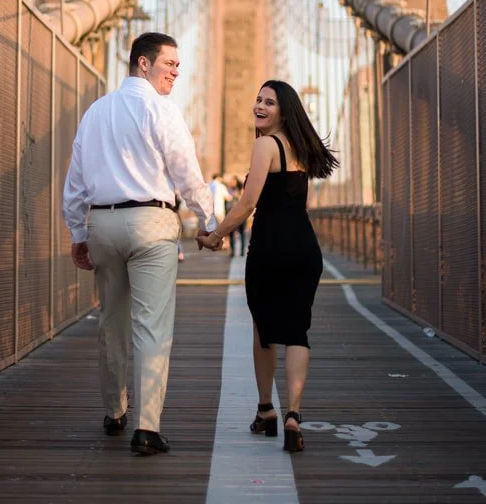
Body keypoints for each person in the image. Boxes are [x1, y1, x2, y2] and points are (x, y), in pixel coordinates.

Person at [63, 32, 221, 457]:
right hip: (151, 223)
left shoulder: (95, 113)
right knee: (151, 326)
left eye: (178, 65)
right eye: (168, 63)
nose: (176, 71)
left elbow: (75, 181)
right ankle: (147, 429)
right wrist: (210, 223)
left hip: (103, 224)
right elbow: (187, 172)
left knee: (111, 320)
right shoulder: (162, 110)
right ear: (142, 64)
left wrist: (79, 234)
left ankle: (115, 412)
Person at [198, 80, 338, 452]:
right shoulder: (303, 148)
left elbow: (246, 204)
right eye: (257, 99)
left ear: (283, 110)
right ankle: (293, 414)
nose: (258, 106)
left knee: (264, 329)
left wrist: (216, 234)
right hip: (304, 247)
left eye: (269, 102)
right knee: (297, 330)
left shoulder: (265, 145)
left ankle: (266, 411)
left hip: (270, 248)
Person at [226, 175, 246, 258]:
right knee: (231, 234)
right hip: (231, 214)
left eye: (233, 181)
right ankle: (233, 251)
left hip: (240, 214)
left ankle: (242, 252)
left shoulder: (241, 190)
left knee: (241, 233)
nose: (232, 183)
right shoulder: (228, 190)